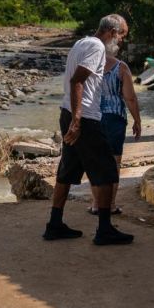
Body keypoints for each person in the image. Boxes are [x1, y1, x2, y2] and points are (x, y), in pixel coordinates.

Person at [44, 14, 134, 246]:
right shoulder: (97, 48)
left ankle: (54, 224)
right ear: (112, 33)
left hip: (68, 111)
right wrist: (77, 120)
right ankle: (104, 229)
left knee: (67, 171)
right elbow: (77, 80)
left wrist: (72, 117)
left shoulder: (81, 42)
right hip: (84, 117)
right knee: (106, 172)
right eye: (121, 36)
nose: (121, 42)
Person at [86, 40, 142, 215]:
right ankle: (109, 204)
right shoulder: (120, 67)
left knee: (95, 161)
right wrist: (137, 120)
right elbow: (130, 98)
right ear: (114, 50)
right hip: (115, 118)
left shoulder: (88, 65)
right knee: (113, 163)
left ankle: (96, 203)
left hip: (92, 116)